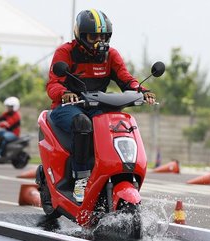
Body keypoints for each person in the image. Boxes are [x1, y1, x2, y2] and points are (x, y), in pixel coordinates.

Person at [46, 9, 156, 203]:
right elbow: (53, 83)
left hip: (96, 106)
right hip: (67, 108)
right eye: (93, 36)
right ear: (80, 36)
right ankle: (81, 177)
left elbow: (126, 79)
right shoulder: (65, 52)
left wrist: (142, 90)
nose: (99, 41)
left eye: (103, 36)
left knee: (117, 124)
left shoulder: (111, 55)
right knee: (82, 124)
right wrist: (65, 94)